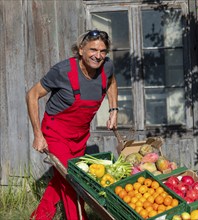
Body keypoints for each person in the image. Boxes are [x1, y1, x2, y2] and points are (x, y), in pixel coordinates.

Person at [26, 29, 118, 220]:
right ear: (81, 49)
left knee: (62, 177)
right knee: (74, 180)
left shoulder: (106, 67)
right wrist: (37, 134)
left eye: (103, 51)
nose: (98, 55)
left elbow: (111, 82)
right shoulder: (62, 71)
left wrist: (113, 110)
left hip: (80, 135)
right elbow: (32, 95)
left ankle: (40, 217)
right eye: (93, 50)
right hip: (55, 132)